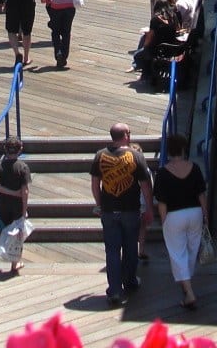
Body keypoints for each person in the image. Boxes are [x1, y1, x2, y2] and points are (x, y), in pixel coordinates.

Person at [91, 122, 153, 306]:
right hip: (130, 210)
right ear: (126, 135)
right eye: (129, 132)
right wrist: (149, 208)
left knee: (111, 250)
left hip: (109, 211)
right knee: (130, 247)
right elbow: (145, 186)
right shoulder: (135, 156)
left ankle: (114, 290)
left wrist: (99, 204)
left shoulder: (100, 156)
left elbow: (95, 184)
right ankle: (130, 281)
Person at [153, 133, 208, 310]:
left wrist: (164, 221)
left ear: (168, 151)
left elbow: (161, 202)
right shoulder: (195, 167)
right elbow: (201, 194)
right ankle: (187, 284)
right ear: (184, 149)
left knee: (177, 253)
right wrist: (205, 214)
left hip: (174, 215)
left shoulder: (162, 173)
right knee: (192, 249)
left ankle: (189, 291)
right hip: (195, 213)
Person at [0, 137, 32, 275]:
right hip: (17, 207)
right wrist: (24, 208)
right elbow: (24, 191)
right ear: (20, 149)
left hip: (2, 206)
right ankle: (15, 263)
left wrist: (6, 192)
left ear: (5, 149)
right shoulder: (23, 168)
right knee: (18, 234)